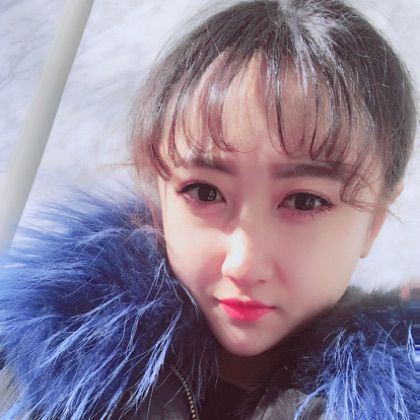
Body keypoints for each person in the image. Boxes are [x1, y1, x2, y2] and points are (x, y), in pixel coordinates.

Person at [0, 0, 417, 418]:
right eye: (204, 192)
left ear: (374, 222)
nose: (243, 265)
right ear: (158, 194)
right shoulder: (33, 371)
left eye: (304, 201)